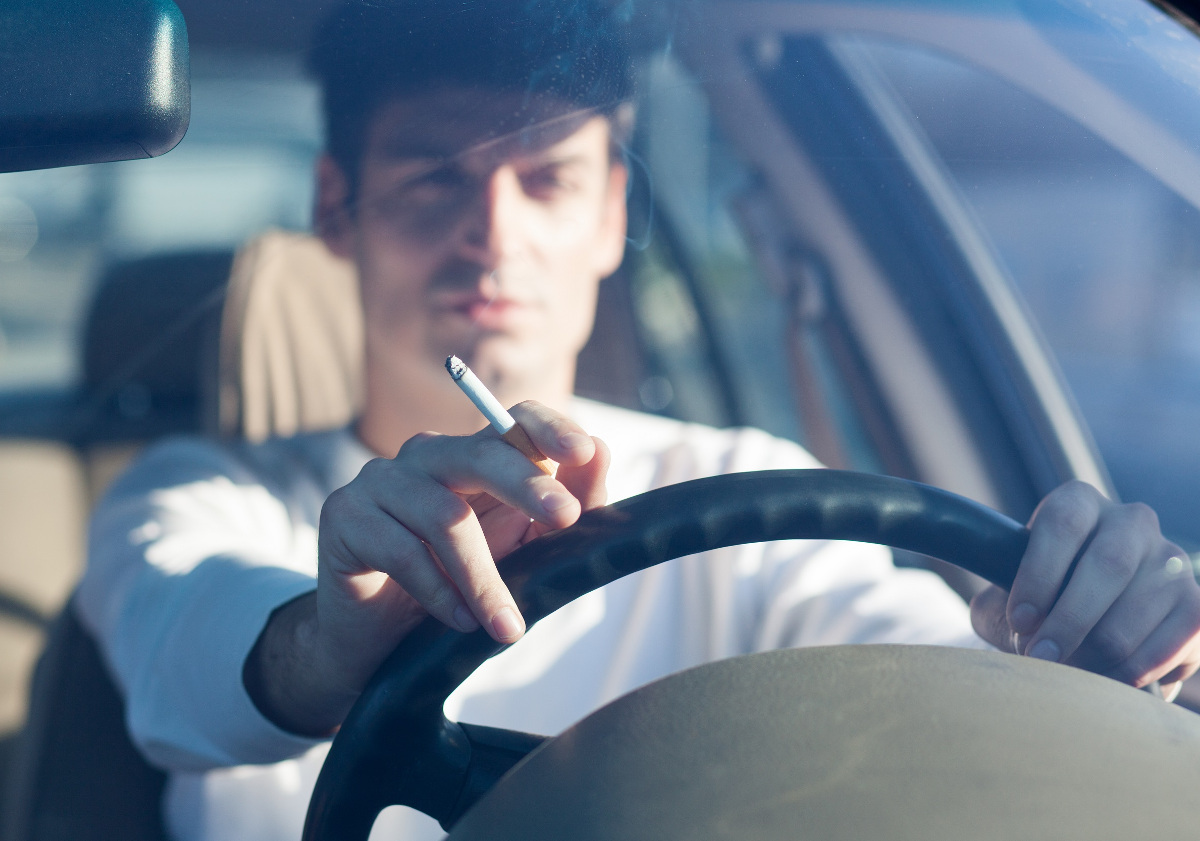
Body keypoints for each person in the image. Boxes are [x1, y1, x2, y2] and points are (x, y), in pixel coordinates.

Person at [76, 2, 1200, 839]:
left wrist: (1062, 646)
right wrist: (323, 644)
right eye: (434, 180)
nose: (493, 235)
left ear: (613, 212)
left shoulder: (745, 484)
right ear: (336, 206)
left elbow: (909, 671)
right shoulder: (197, 488)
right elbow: (186, 649)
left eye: (549, 180)